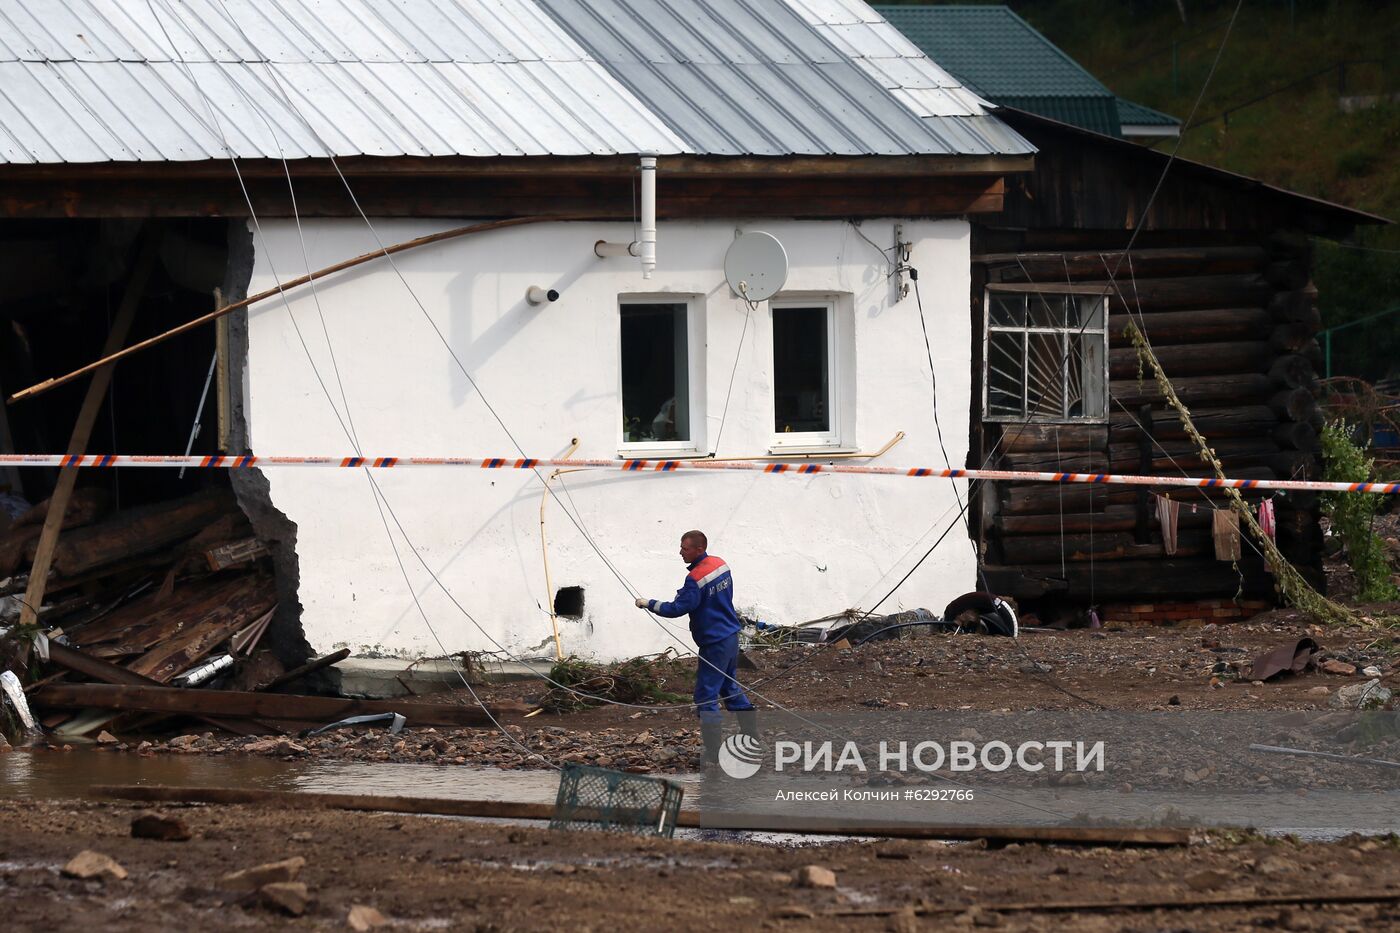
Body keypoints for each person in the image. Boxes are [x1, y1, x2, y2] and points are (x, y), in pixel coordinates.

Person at [635, 529, 757, 763]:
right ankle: (751, 738)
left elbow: (676, 609)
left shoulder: (695, 579)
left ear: (698, 549)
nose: (680, 552)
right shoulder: (720, 564)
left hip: (714, 642)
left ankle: (714, 753)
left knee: (706, 695)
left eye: (685, 548)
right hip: (731, 636)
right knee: (729, 686)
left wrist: (648, 603)